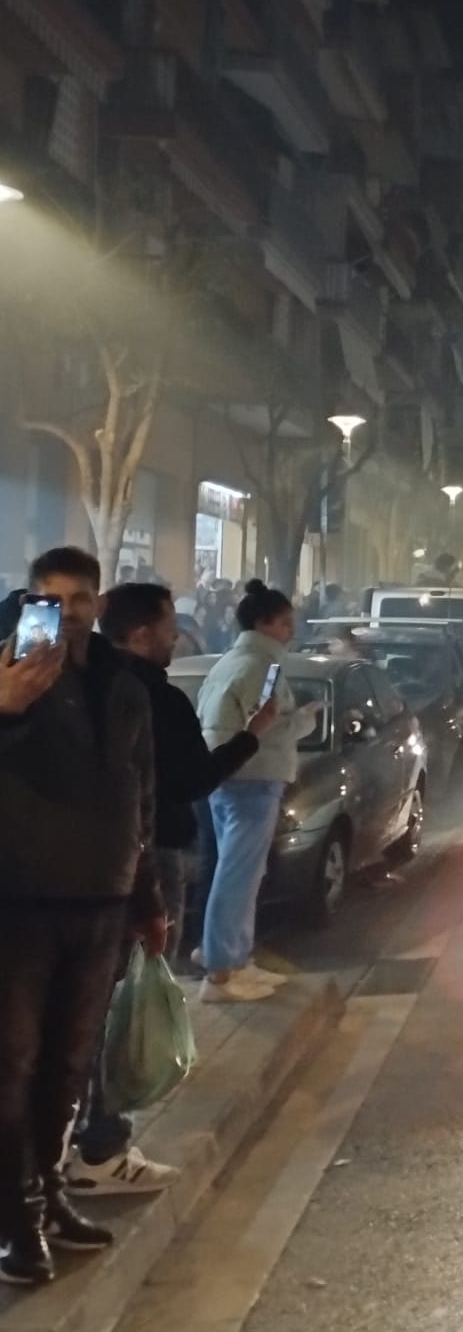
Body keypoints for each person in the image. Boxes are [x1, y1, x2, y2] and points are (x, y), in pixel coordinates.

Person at [70, 584, 272, 1198]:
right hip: (145, 859)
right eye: (166, 628)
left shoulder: (81, 689)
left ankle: (83, 1139)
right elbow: (187, 781)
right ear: (138, 634)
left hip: (92, 867)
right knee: (122, 1003)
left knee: (90, 1005)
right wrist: (250, 736)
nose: (175, 637)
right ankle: (102, 1144)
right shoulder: (151, 698)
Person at [0, 548, 163, 1284]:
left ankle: (53, 1192)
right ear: (31, 600)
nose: (66, 612)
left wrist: (146, 895)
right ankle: (17, 1219)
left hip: (102, 897)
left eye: (80, 599)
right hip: (22, 900)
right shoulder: (10, 672)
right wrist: (5, 710)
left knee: (68, 1066)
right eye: (52, 599)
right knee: (13, 1066)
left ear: (99, 604)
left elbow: (143, 796)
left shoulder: (123, 686)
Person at [194, 581, 322, 1002]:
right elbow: (259, 727)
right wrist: (304, 720)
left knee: (239, 872)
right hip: (252, 776)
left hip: (233, 776)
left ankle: (235, 959)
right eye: (285, 622)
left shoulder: (233, 662)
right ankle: (222, 971)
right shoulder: (258, 667)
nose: (291, 630)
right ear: (264, 623)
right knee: (238, 875)